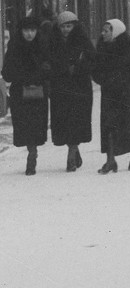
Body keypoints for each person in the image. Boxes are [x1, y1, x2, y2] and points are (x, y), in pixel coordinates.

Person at [91, 19, 130, 173]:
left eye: (107, 30)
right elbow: (95, 70)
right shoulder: (101, 48)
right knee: (109, 126)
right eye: (103, 30)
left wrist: (127, 77)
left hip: (129, 93)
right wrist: (104, 79)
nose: (103, 33)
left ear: (116, 32)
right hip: (110, 93)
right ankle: (110, 160)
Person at [2, 16, 50, 175]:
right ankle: (31, 150)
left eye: (32, 30)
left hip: (38, 91)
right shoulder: (14, 46)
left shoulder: (43, 46)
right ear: (20, 31)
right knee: (24, 124)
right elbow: (7, 72)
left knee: (36, 124)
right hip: (20, 93)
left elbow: (49, 67)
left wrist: (40, 76)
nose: (29, 34)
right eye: (26, 30)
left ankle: (32, 153)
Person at [48, 11, 94, 172]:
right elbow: (49, 61)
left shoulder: (82, 40)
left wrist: (78, 68)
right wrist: (62, 68)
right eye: (63, 26)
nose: (66, 30)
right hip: (60, 88)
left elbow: (92, 59)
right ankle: (74, 150)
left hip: (80, 87)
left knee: (76, 120)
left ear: (75, 26)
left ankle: (71, 155)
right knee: (64, 122)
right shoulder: (53, 41)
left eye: (69, 26)